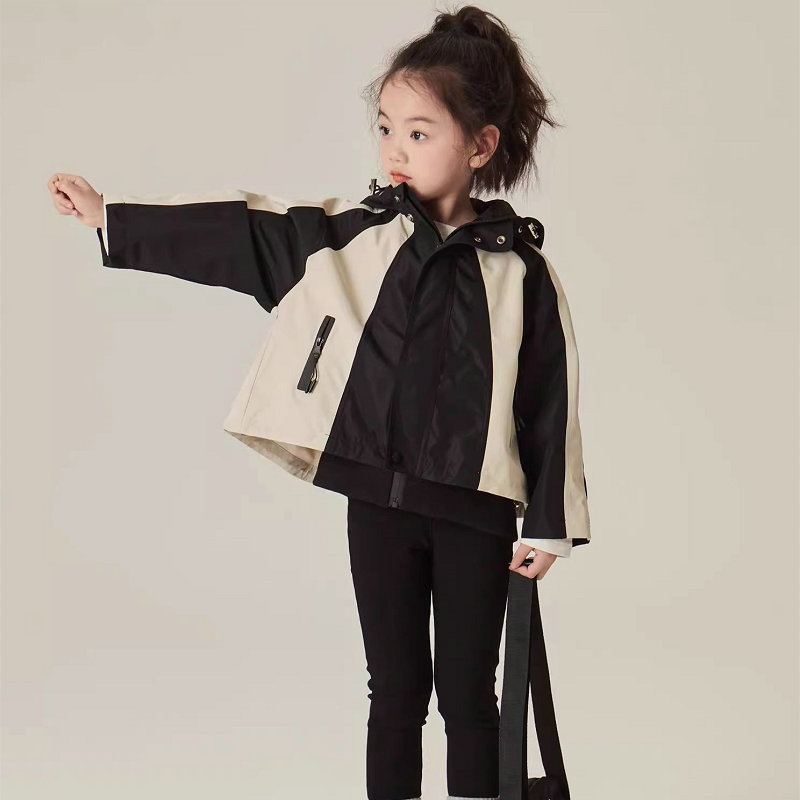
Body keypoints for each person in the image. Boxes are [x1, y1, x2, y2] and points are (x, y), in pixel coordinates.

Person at [47, 5, 591, 798]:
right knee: (394, 693)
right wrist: (112, 217)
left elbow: (550, 400)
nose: (394, 149)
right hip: (378, 506)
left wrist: (549, 522)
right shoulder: (347, 236)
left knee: (470, 698)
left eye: (419, 132)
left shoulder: (523, 273)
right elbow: (241, 232)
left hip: (476, 514)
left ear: (480, 146)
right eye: (386, 128)